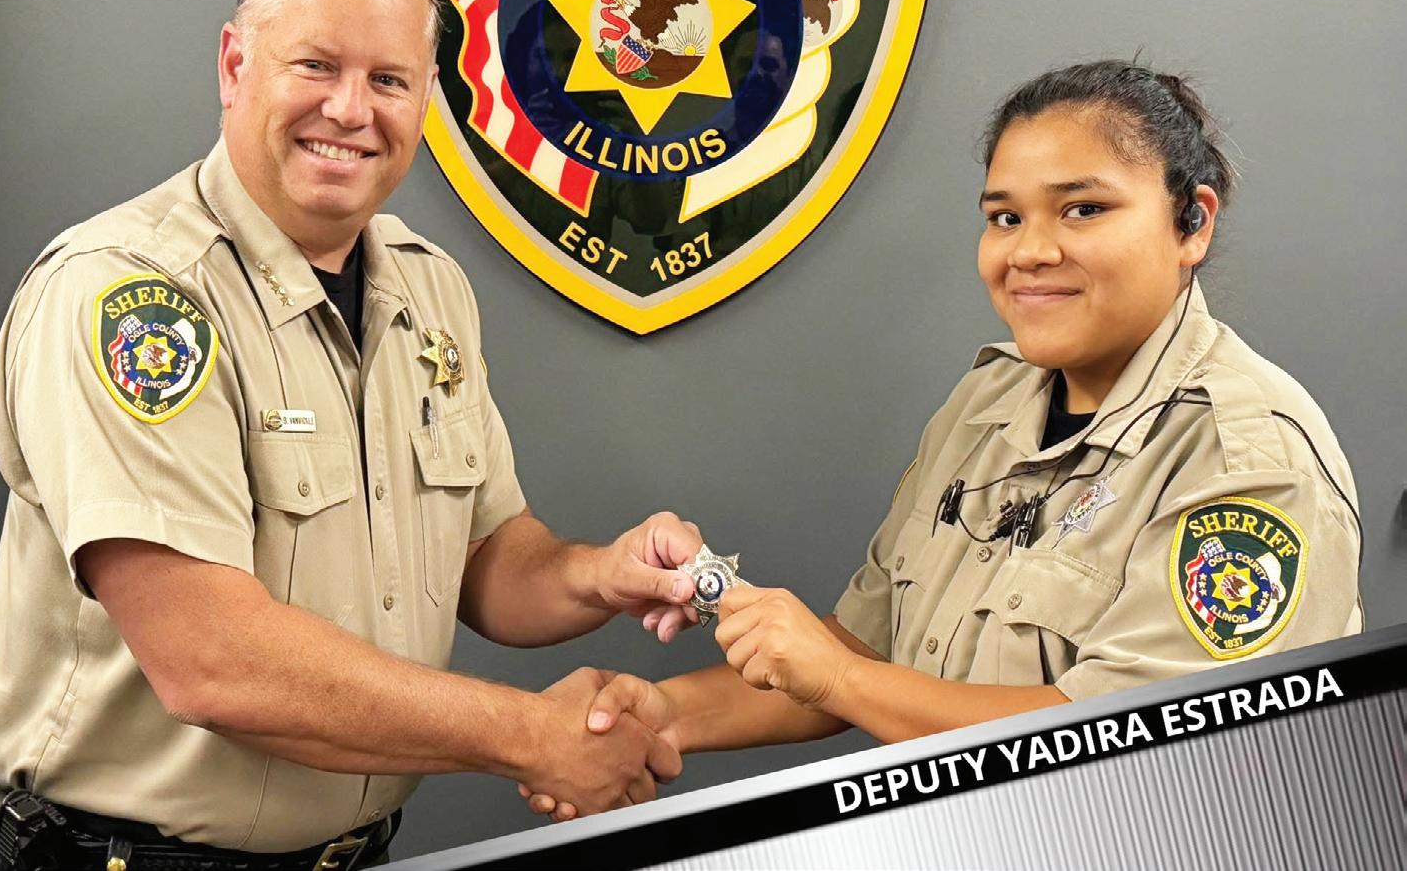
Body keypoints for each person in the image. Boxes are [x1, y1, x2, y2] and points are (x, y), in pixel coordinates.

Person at [0, 0, 706, 868]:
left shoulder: (428, 288)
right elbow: (209, 659)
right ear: (235, 66)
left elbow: (487, 558)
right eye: (315, 66)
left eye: (389, 80)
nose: (351, 110)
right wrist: (532, 734)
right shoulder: (132, 299)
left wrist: (597, 575)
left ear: (427, 98)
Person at [521, 59, 1363, 820]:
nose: (1030, 251)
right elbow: (871, 644)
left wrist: (840, 675)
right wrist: (664, 716)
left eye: (1084, 208)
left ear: (1192, 225)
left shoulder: (1249, 459)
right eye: (1004, 217)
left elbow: (1133, 754)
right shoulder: (988, 402)